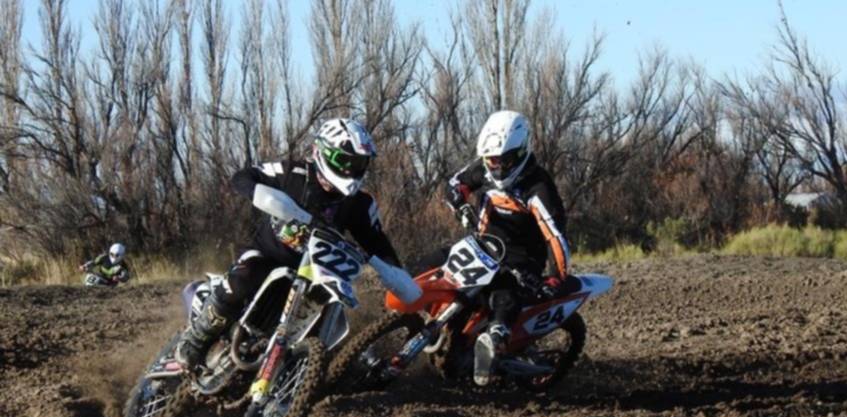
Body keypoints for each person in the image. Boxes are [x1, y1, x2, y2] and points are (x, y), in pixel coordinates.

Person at [175, 117, 403, 369]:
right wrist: (258, 193)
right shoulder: (293, 174)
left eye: (359, 164)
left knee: (333, 309)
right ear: (322, 152)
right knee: (246, 276)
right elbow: (244, 176)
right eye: (344, 161)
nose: (351, 170)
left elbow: (377, 243)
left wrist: (399, 277)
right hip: (267, 255)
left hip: (316, 273)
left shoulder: (360, 204)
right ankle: (197, 338)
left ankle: (339, 371)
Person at [444, 110, 571, 385]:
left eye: (505, 161)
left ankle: (495, 340)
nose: (498, 167)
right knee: (436, 263)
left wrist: (555, 278)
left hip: (521, 260)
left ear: (522, 151)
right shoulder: (484, 168)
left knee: (504, 293)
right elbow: (456, 183)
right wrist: (459, 201)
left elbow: (556, 237)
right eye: (492, 160)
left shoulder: (539, 188)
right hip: (481, 246)